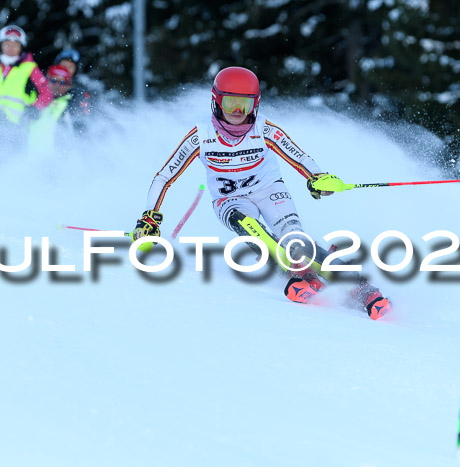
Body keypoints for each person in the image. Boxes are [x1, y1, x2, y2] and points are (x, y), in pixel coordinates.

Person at [130, 66, 392, 320]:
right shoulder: (201, 136)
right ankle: (297, 275)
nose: (236, 111)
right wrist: (150, 217)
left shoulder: (264, 130)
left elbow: (298, 156)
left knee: (294, 243)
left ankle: (361, 288)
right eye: (230, 102)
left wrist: (318, 178)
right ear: (216, 101)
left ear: (255, 104)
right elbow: (165, 175)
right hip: (230, 201)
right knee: (253, 230)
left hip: (269, 191)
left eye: (244, 104)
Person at [0, 25, 53, 126]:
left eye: (15, 45)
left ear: (21, 47)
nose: (10, 49)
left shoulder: (29, 67)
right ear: (0, 46)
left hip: (19, 126)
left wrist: (34, 110)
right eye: (7, 44)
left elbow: (47, 93)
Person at [27, 65, 78, 152]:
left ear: (68, 85)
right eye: (53, 80)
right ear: (46, 81)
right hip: (29, 157)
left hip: (56, 160)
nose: (57, 85)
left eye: (62, 82)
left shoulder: (72, 106)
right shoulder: (33, 100)